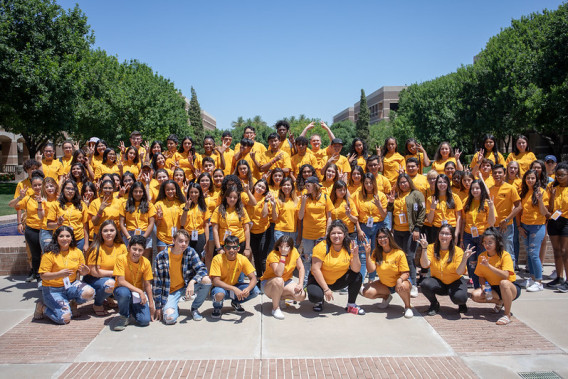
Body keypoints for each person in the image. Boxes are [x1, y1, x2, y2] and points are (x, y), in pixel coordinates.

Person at [33, 226, 94, 324]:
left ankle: (73, 304)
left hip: (70, 285)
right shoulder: (49, 254)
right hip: (52, 289)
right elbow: (43, 275)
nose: (65, 239)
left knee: (89, 292)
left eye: (67, 236)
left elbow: (82, 272)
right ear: (56, 238)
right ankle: (42, 307)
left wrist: (86, 271)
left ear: (71, 238)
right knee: (64, 318)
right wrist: (59, 274)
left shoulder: (77, 252)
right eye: (61, 236)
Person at [153, 230, 212, 323]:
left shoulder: (190, 251)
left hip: (186, 287)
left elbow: (203, 269)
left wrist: (192, 282)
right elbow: (157, 283)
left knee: (207, 280)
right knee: (169, 319)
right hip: (170, 292)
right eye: (180, 241)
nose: (184, 244)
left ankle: (194, 308)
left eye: (186, 241)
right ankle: (173, 306)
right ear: (173, 240)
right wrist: (158, 307)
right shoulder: (161, 256)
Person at [307, 220, 364, 314]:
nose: (336, 236)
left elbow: (356, 269)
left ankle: (351, 304)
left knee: (357, 276)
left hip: (337, 280)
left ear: (345, 234)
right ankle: (319, 301)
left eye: (339, 233)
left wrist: (355, 255)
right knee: (315, 295)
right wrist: (326, 289)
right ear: (329, 235)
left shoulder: (349, 246)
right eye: (333, 233)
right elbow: (315, 269)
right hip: (319, 281)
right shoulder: (322, 246)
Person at [471, 228, 521, 325]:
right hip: (493, 289)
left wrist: (488, 266)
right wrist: (484, 287)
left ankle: (507, 315)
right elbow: (481, 276)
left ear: (497, 242)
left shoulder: (505, 255)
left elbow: (506, 275)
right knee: (475, 295)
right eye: (485, 242)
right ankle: (499, 302)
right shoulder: (482, 256)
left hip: (509, 288)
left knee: (504, 283)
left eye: (490, 242)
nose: (487, 245)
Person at [418, 225, 471, 315]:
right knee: (425, 284)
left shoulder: (458, 251)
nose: (444, 236)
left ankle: (462, 304)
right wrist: (424, 248)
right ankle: (434, 304)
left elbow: (459, 272)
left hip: (455, 281)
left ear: (451, 237)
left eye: (447, 234)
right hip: (439, 282)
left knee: (460, 298)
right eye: (442, 233)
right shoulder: (431, 247)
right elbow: (425, 265)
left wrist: (464, 260)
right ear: (438, 235)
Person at [361, 228, 413, 318]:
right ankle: (386, 297)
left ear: (389, 237)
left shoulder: (399, 253)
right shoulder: (376, 253)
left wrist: (399, 280)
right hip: (385, 284)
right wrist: (367, 254)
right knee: (367, 292)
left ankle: (408, 307)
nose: (382, 239)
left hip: (399, 283)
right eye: (379, 237)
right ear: (377, 240)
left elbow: (406, 273)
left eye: (384, 236)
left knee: (404, 286)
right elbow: (371, 270)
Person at [388, 173, 426, 297]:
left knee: (410, 257)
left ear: (409, 182)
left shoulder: (416, 194)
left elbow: (422, 212)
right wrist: (391, 203)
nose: (403, 184)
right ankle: (400, 282)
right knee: (399, 258)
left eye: (405, 182)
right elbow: (390, 211)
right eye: (401, 182)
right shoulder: (397, 195)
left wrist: (417, 228)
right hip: (397, 231)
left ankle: (413, 284)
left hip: (410, 231)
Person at [209, 235, 260, 318]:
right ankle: (217, 307)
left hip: (234, 286)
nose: (231, 250)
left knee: (255, 290)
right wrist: (234, 289)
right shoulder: (217, 259)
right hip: (221, 288)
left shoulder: (242, 259)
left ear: (238, 248)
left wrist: (247, 289)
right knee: (219, 294)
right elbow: (216, 281)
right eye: (228, 247)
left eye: (234, 247)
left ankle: (236, 302)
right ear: (224, 248)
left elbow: (253, 278)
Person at [83, 220, 127, 316]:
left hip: (112, 276)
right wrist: (115, 272)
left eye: (112, 230)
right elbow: (94, 272)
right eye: (105, 231)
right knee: (110, 284)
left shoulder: (122, 246)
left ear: (116, 232)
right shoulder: (95, 248)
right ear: (100, 233)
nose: (109, 233)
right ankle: (98, 304)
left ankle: (109, 297)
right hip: (94, 279)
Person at [112, 235, 155, 331]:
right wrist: (140, 291)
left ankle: (131, 308)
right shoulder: (121, 259)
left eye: (140, 250)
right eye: (134, 249)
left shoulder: (146, 262)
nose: (136, 252)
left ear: (143, 251)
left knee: (144, 321)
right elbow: (121, 281)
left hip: (136, 295)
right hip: (123, 289)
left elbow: (147, 284)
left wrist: (151, 304)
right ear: (128, 248)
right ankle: (124, 316)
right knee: (124, 293)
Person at [260, 236, 306, 319]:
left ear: (291, 247)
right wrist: (283, 255)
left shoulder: (294, 251)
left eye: (287, 247)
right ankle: (275, 308)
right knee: (279, 280)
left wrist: (300, 284)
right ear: (278, 246)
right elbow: (279, 273)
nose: (283, 249)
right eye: (281, 246)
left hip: (286, 282)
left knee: (301, 295)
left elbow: (301, 267)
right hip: (269, 284)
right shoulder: (273, 255)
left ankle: (279, 299)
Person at [519, 169, 550, 292]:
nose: (530, 180)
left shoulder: (541, 192)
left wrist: (540, 200)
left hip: (537, 226)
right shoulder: (524, 192)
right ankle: (532, 278)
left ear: (536, 179)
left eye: (532, 178)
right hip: (525, 226)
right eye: (528, 178)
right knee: (529, 254)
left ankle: (539, 281)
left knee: (533, 254)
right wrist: (519, 227)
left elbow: (544, 213)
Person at [461, 179, 496, 289]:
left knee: (482, 262)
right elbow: (463, 221)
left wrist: (491, 207)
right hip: (468, 235)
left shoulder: (487, 202)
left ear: (482, 189)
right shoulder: (467, 202)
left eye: (477, 188)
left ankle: (484, 286)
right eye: (473, 188)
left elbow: (491, 222)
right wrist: (461, 239)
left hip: (483, 237)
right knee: (471, 262)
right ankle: (476, 286)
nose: (475, 190)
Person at [353, 173, 388, 282]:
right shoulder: (357, 195)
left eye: (371, 183)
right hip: (363, 227)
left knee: (374, 253)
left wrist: (379, 206)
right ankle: (361, 281)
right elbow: (355, 216)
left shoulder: (381, 195)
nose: (369, 185)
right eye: (366, 183)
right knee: (363, 255)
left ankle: (372, 279)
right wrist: (358, 230)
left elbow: (384, 215)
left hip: (378, 226)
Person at [298, 176, 333, 284]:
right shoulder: (305, 198)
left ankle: (320, 281)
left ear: (315, 185)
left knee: (320, 259)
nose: (306, 188)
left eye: (308, 186)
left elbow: (329, 216)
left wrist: (327, 232)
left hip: (321, 234)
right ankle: (305, 282)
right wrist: (303, 202)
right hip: (308, 235)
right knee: (307, 259)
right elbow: (300, 217)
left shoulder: (325, 198)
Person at [12, 174, 44, 282]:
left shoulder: (48, 198)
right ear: (32, 186)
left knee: (46, 254)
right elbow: (12, 205)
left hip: (45, 230)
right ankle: (38, 277)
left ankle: (46, 277)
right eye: (35, 185)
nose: (37, 187)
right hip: (31, 230)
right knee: (35, 255)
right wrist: (19, 198)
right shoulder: (28, 198)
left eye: (40, 185)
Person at [489, 164, 522, 266]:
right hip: (493, 226)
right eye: (495, 173)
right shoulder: (490, 190)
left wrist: (506, 220)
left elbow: (519, 206)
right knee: (494, 251)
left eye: (500, 173)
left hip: (506, 226)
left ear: (504, 174)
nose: (497, 175)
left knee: (508, 251)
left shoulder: (510, 188)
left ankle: (510, 277)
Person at [211, 186, 252, 259]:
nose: (232, 199)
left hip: (239, 243)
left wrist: (247, 248)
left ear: (238, 198)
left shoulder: (242, 210)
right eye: (230, 197)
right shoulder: (219, 209)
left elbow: (247, 229)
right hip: (224, 244)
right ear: (226, 197)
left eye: (235, 197)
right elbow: (215, 229)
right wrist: (219, 248)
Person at [47, 180, 89, 252]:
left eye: (72, 189)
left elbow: (86, 225)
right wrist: (58, 223)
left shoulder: (82, 205)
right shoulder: (56, 204)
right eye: (68, 188)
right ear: (63, 190)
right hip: (61, 241)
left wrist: (86, 243)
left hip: (78, 240)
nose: (70, 191)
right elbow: (49, 225)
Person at [246, 179, 274, 278]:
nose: (260, 188)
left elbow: (265, 214)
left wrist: (266, 202)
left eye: (263, 187)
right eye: (259, 185)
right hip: (251, 232)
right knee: (256, 256)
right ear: (254, 185)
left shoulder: (265, 199)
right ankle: (259, 277)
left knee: (263, 257)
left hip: (263, 231)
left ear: (265, 190)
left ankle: (266, 278)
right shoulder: (248, 197)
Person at [119, 182, 156, 258]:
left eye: (140, 191)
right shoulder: (124, 204)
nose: (138, 194)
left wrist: (144, 238)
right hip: (129, 235)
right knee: (130, 259)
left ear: (143, 193)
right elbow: (122, 223)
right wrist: (128, 237)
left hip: (145, 234)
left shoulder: (149, 205)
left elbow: (151, 223)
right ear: (132, 192)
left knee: (144, 260)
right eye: (135, 191)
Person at [546, 162, 568, 291]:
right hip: (554, 221)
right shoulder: (551, 187)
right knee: (557, 251)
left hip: (566, 221)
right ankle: (559, 277)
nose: (559, 178)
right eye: (557, 175)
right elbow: (549, 208)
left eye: (562, 175)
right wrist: (553, 197)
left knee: (565, 252)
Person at [426, 174, 463, 243]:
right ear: (436, 184)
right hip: (437, 229)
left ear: (448, 184)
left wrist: (456, 234)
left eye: (444, 182)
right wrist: (432, 208)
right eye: (439, 182)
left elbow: (459, 217)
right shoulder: (430, 199)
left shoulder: (455, 197)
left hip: (451, 228)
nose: (442, 184)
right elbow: (430, 220)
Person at [154, 180, 186, 252]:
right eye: (168, 189)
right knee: (163, 261)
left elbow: (183, 222)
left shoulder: (180, 203)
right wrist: (159, 218)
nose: (170, 191)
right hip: (162, 238)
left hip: (177, 237)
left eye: (172, 189)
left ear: (176, 189)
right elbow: (156, 224)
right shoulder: (158, 204)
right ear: (164, 191)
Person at [180, 183, 210, 257]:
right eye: (191, 192)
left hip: (200, 235)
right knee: (186, 258)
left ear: (199, 193)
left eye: (196, 192)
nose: (193, 194)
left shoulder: (203, 207)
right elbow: (182, 223)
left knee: (199, 258)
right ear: (188, 193)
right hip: (187, 235)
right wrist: (186, 208)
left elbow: (206, 225)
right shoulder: (183, 206)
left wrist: (207, 241)